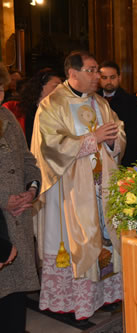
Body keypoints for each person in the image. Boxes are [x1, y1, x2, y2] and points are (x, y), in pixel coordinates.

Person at [31, 50, 126, 321]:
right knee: (78, 241)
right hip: (69, 192)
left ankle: (104, 296)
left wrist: (110, 140)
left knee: (105, 239)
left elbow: (117, 130)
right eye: (91, 70)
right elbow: (48, 146)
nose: (97, 76)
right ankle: (76, 300)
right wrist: (91, 139)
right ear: (72, 73)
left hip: (101, 188)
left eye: (97, 70)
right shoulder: (52, 104)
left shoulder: (100, 103)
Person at [0, 62, 42, 333]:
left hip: (18, 221)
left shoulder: (6, 118)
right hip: (2, 222)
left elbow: (28, 159)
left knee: (14, 303)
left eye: (0, 87)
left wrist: (32, 189)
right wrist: (4, 199)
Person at [98, 60, 137, 167]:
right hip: (99, 158)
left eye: (112, 77)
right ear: (99, 79)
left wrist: (130, 163)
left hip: (124, 159)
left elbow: (135, 134)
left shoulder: (131, 100)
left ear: (119, 78)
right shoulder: (93, 100)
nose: (109, 81)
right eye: (104, 77)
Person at [3, 68, 61, 146]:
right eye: (56, 86)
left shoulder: (58, 112)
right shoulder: (15, 109)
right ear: (41, 86)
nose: (60, 90)